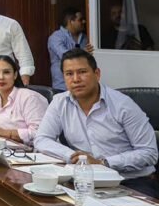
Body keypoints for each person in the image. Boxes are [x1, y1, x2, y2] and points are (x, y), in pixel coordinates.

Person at [34, 49, 158, 197]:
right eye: (69, 74)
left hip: (131, 181)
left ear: (97, 74)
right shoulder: (59, 102)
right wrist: (75, 157)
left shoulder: (123, 105)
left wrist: (103, 163)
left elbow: (149, 152)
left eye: (82, 72)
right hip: (85, 180)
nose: (76, 79)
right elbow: (42, 139)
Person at [48, 8, 93, 91]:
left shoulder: (85, 37)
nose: (84, 22)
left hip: (82, 84)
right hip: (62, 87)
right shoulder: (56, 37)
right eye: (80, 20)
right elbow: (65, 56)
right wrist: (83, 52)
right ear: (70, 21)